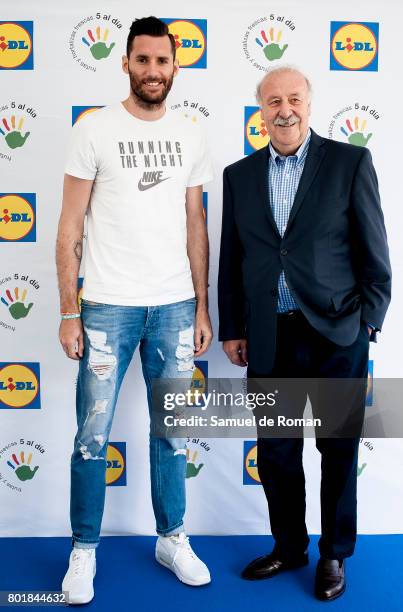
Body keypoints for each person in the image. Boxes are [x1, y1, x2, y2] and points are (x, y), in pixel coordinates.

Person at [218, 66, 391, 601]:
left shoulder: (349, 162)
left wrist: (368, 321)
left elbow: (374, 253)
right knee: (276, 454)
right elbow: (233, 258)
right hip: (270, 338)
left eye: (293, 99)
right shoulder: (239, 175)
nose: (284, 110)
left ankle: (334, 554)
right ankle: (289, 547)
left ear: (309, 105)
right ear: (260, 111)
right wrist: (233, 327)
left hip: (338, 334)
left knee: (337, 448)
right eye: (273, 101)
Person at [56, 16, 213, 605]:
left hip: (173, 306)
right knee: (91, 437)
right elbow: (71, 224)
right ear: (125, 63)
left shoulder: (192, 132)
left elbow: (196, 223)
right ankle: (84, 550)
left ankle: (172, 537)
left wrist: (201, 306)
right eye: (143, 60)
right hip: (105, 309)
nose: (153, 71)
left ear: (176, 67)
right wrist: (69, 311)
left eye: (163, 61)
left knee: (172, 433)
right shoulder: (94, 130)